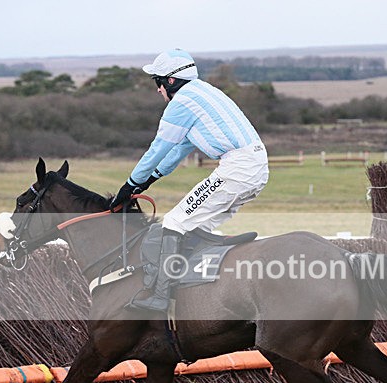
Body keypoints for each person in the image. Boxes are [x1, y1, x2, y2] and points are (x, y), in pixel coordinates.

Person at [109, 49, 269, 312]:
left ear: (170, 81)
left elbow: (158, 148)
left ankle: (160, 297)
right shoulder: (203, 92)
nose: (157, 90)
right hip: (255, 167)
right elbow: (180, 149)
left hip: (237, 168)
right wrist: (150, 179)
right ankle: (196, 289)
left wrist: (129, 184)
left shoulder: (181, 103)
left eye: (157, 81)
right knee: (196, 226)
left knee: (174, 222)